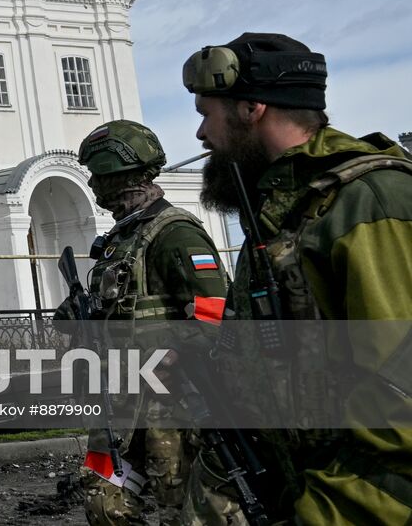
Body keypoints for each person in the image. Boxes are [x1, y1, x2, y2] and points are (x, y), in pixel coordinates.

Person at [180, 32, 412, 523]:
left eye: (207, 113)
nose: (201, 134)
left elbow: (401, 402)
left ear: (251, 108)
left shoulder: (368, 201)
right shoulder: (283, 211)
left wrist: (321, 513)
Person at [59, 119, 229, 526]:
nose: (95, 186)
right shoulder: (119, 240)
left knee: (179, 508)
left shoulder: (175, 233)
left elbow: (216, 312)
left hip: (168, 407)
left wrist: (170, 350)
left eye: (98, 176)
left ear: (118, 175)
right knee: (103, 504)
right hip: (118, 405)